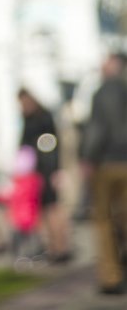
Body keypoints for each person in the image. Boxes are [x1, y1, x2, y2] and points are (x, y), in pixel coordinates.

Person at [80, 52, 127, 295]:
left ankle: (111, 276)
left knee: (104, 220)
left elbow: (97, 128)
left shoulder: (105, 90)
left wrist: (87, 157)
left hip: (108, 162)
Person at [18, 88, 71, 262]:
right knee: (44, 211)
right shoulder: (28, 117)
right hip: (36, 171)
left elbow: (51, 145)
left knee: (53, 209)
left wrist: (55, 170)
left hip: (47, 170)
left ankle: (60, 247)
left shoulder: (42, 117)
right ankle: (52, 247)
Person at [0, 146, 43, 261]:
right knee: (31, 239)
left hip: (17, 218)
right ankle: (33, 255)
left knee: (19, 240)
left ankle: (19, 256)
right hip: (31, 217)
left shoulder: (16, 183)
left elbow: (5, 197)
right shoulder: (35, 180)